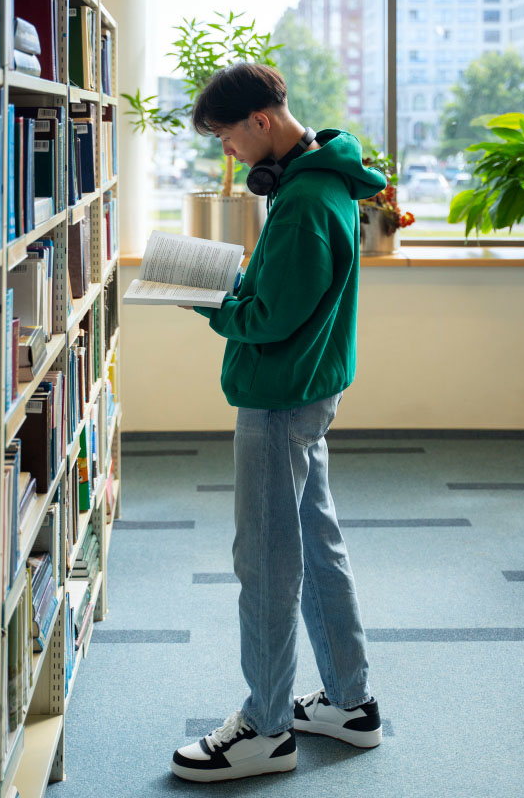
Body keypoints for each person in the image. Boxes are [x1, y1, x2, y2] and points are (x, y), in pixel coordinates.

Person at [170, 62, 387, 784]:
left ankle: (266, 728)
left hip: (279, 396)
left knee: (265, 562)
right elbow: (286, 291)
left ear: (261, 121)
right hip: (308, 390)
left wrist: (204, 300)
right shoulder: (322, 182)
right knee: (317, 547)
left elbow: (269, 318)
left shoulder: (301, 204)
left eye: (227, 136)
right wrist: (235, 283)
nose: (226, 153)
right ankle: (351, 704)